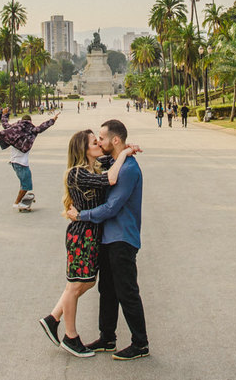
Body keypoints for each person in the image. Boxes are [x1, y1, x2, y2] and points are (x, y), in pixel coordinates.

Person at [40, 130, 137, 357]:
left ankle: (53, 318)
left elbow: (110, 159)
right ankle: (70, 337)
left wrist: (124, 149)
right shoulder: (76, 173)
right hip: (81, 235)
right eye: (95, 142)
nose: (99, 144)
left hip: (93, 235)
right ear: (83, 149)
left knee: (85, 283)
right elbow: (111, 178)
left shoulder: (95, 165)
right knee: (75, 286)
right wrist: (125, 153)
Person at [66, 119, 148, 361]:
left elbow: (112, 207)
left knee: (127, 292)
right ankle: (107, 337)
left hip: (122, 237)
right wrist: (126, 150)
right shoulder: (113, 162)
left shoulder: (128, 169)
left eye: (101, 138)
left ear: (115, 140)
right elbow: (91, 166)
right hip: (107, 238)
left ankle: (140, 343)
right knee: (107, 290)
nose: (99, 142)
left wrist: (82, 215)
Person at [0, 110, 60, 208]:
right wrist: (53, 120)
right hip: (21, 163)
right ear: (30, 121)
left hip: (15, 162)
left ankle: (21, 199)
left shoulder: (14, 128)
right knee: (27, 184)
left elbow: (4, 124)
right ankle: (17, 203)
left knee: (24, 183)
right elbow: (41, 127)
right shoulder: (30, 129)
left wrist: (5, 114)